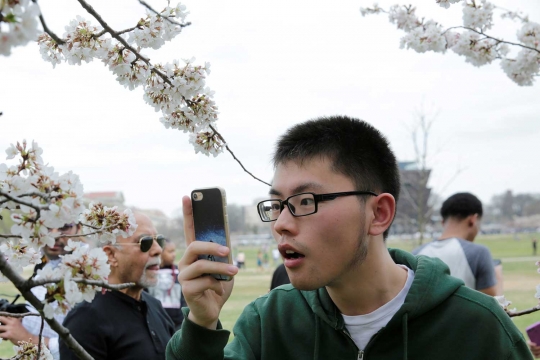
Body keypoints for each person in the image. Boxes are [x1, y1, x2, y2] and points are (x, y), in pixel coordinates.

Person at [167, 116, 531, 359]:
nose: (281, 224)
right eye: (277, 205)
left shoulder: (477, 329)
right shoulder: (269, 323)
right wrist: (200, 324)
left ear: (379, 213)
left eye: (305, 201)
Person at [60, 213, 175, 360]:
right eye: (144, 242)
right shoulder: (85, 320)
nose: (158, 249)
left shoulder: (155, 306)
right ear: (111, 255)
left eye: (159, 240)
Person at [0, 223, 81, 360]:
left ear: (78, 228)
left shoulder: (86, 274)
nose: (54, 235)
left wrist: (28, 338)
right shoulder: (44, 262)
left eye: (64, 227)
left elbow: (86, 343)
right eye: (47, 227)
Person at [412, 192, 498, 296]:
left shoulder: (416, 254)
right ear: (473, 220)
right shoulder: (479, 253)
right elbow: (491, 306)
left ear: (443, 222)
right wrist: (498, 276)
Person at [147, 237, 188, 330]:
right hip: (156, 321)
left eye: (174, 251)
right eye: (170, 252)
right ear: (160, 253)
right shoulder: (150, 272)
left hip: (178, 323)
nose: (174, 255)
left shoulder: (179, 271)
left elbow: (184, 296)